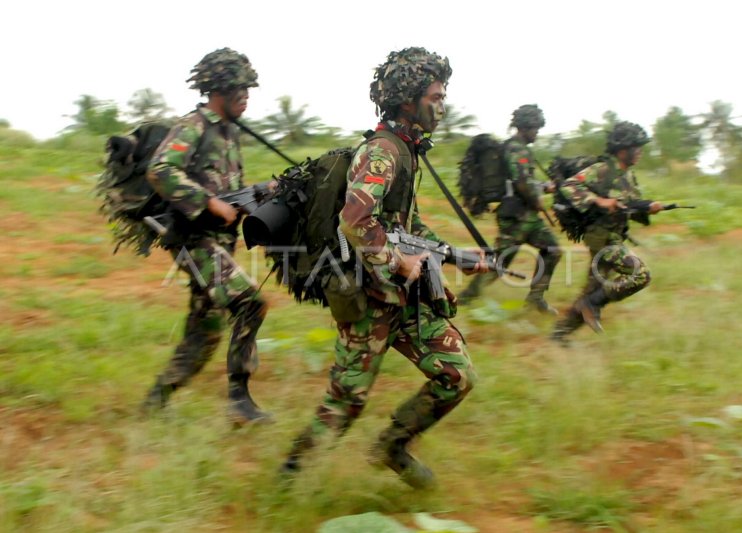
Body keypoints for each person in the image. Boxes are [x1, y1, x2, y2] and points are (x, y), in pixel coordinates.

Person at [278, 47, 487, 489]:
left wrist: (454, 255)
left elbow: (404, 226)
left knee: (456, 375)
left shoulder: (408, 151)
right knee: (346, 401)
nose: (442, 105)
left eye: (443, 94)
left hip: (406, 298)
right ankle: (287, 481)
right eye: (435, 95)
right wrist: (398, 260)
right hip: (370, 299)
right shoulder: (382, 153)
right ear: (408, 99)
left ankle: (392, 446)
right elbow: (354, 221)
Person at [140, 48, 271, 426]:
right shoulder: (194, 125)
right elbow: (161, 169)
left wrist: (258, 195)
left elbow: (226, 188)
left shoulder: (229, 133)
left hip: (219, 242)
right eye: (240, 89)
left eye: (249, 89)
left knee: (205, 333)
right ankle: (239, 402)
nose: (246, 96)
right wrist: (209, 203)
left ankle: (155, 401)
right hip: (193, 240)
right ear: (219, 90)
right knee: (251, 302)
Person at [550, 121, 663, 343]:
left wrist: (648, 207)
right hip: (602, 238)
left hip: (614, 235)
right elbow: (569, 186)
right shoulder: (602, 169)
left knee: (593, 290)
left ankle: (559, 335)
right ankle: (591, 305)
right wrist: (599, 200)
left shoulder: (628, 176)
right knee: (640, 275)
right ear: (623, 150)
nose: (639, 152)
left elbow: (628, 205)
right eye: (636, 148)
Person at [458, 105, 562, 314]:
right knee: (499, 262)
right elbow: (522, 183)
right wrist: (538, 197)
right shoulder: (517, 148)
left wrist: (542, 187)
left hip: (523, 214)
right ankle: (466, 298)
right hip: (517, 216)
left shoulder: (516, 147)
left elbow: (520, 181)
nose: (537, 132)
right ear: (525, 127)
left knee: (552, 250)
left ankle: (535, 298)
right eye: (535, 128)